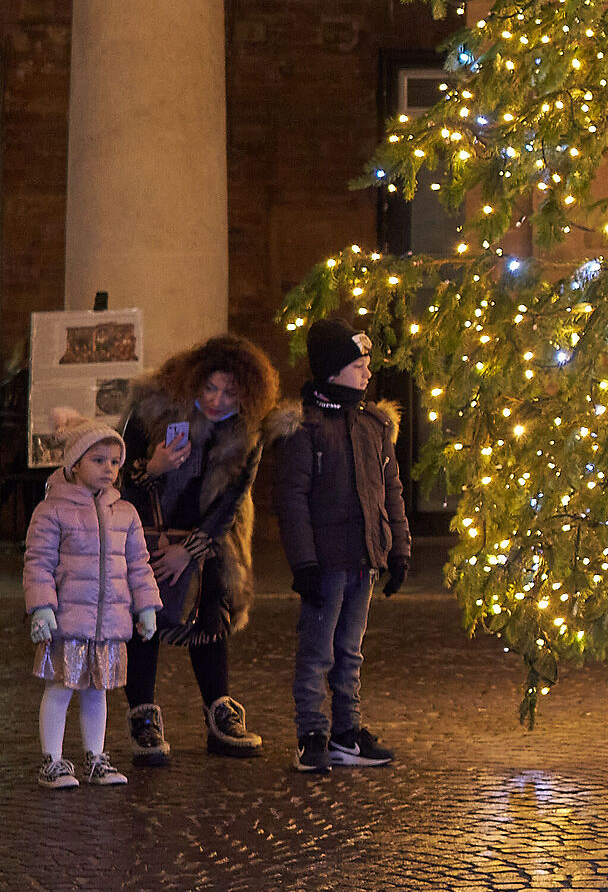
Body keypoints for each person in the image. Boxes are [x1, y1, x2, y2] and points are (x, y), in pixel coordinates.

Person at [119, 333, 280, 766]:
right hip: (147, 533)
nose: (217, 399)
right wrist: (153, 468)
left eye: (229, 391)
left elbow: (231, 500)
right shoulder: (155, 409)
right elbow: (118, 478)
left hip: (209, 540)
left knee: (212, 622)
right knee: (145, 622)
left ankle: (218, 712)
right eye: (211, 387)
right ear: (195, 382)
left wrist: (189, 550)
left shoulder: (246, 430)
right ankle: (143, 716)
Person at [272, 318, 411, 773]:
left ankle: (347, 733)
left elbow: (391, 492)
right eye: (358, 365)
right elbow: (292, 502)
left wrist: (399, 549)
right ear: (333, 371)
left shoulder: (373, 426)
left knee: (350, 650)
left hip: (363, 559)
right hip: (327, 562)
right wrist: (305, 564)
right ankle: (312, 733)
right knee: (317, 650)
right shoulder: (307, 430)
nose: (368, 374)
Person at [23, 409, 161, 788]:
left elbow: (139, 564)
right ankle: (52, 759)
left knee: (97, 690)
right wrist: (42, 607)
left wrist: (146, 605)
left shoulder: (126, 513)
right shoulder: (52, 511)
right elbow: (38, 562)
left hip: (108, 623)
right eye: (98, 460)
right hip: (68, 621)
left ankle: (95, 756)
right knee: (61, 687)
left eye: (115, 461)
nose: (109, 469)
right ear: (75, 463)